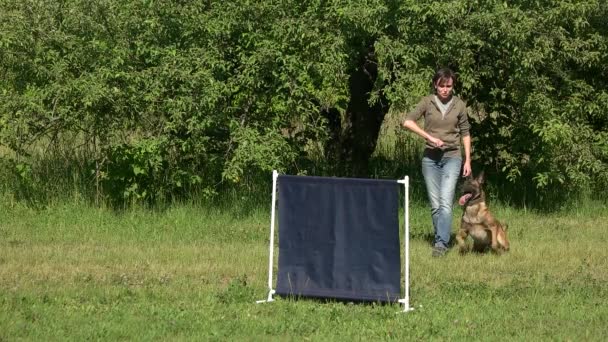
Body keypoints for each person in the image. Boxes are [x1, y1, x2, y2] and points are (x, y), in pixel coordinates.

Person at [401, 67, 472, 257]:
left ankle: (441, 243)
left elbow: (465, 133)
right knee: (435, 204)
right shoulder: (427, 102)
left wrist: (468, 160)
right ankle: (440, 236)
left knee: (446, 202)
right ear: (435, 85)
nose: (445, 89)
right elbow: (407, 122)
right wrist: (429, 137)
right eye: (442, 86)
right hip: (430, 159)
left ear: (453, 86)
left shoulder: (459, 105)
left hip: (452, 157)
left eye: (449, 86)